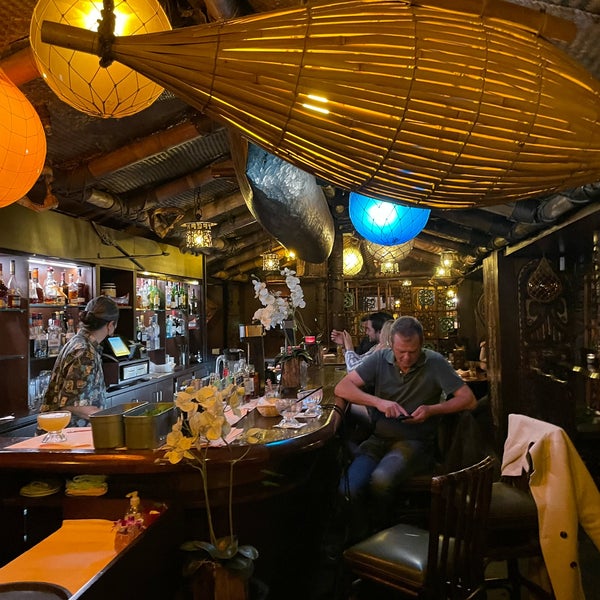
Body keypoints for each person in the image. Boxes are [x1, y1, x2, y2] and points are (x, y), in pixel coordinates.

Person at [334, 315, 477, 538]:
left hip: (416, 442)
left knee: (381, 481)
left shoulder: (435, 362)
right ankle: (364, 539)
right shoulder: (380, 358)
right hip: (379, 440)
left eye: (413, 351)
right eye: (401, 352)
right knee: (347, 488)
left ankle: (383, 536)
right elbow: (342, 388)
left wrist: (431, 410)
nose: (407, 357)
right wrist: (379, 403)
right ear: (391, 344)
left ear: (422, 345)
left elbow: (469, 400)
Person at [41, 295, 120, 425]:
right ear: (110, 325)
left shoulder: (79, 342)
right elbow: (71, 404)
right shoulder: (85, 352)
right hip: (68, 432)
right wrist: (112, 420)